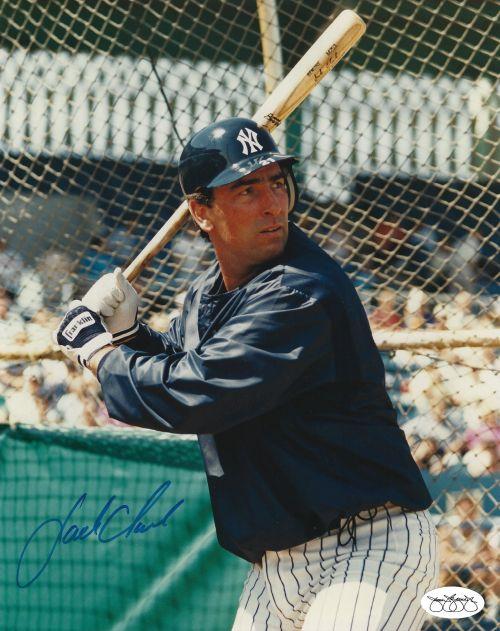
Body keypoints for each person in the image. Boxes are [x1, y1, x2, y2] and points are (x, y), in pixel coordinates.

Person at [54, 117, 439, 630]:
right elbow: (182, 361)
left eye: (277, 183)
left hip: (368, 548)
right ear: (201, 211)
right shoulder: (207, 293)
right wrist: (129, 334)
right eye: (247, 190)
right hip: (275, 566)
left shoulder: (300, 290)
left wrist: (98, 352)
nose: (273, 204)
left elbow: (196, 393)